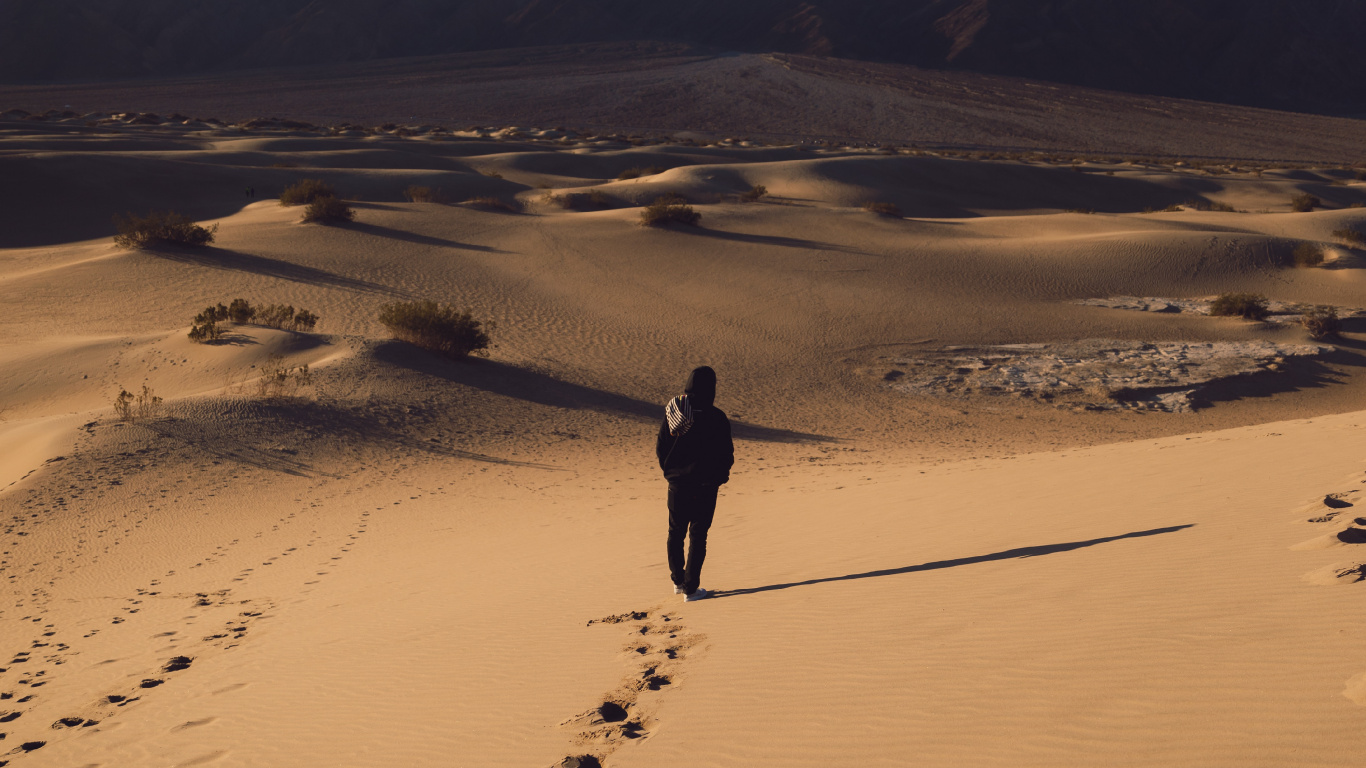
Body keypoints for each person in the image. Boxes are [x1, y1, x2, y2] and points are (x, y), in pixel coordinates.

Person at [656, 366, 734, 602]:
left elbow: (661, 448)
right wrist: (720, 477)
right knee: (698, 535)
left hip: (678, 484)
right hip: (706, 486)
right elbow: (726, 454)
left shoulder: (675, 411)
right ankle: (691, 589)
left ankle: (679, 582)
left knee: (675, 532)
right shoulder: (716, 417)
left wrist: (671, 472)